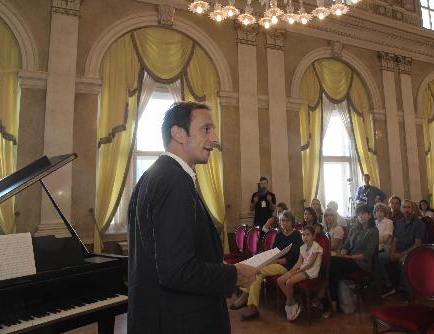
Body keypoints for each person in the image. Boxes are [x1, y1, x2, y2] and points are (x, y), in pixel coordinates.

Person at [127, 102, 257, 334]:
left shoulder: (153, 176)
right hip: (182, 321)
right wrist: (234, 275)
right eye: (206, 129)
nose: (215, 139)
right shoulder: (174, 181)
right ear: (178, 134)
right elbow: (176, 271)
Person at [231, 210, 303, 321]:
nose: (284, 223)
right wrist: (269, 258)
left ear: (292, 222)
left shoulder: (297, 235)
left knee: (257, 271)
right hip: (274, 263)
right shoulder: (279, 234)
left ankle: (247, 300)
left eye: (287, 221)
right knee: (257, 274)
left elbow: (294, 257)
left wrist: (276, 261)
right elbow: (273, 251)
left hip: (287, 267)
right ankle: (251, 305)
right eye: (282, 221)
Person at [328, 205, 379, 312]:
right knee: (331, 264)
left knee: (333, 263)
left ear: (369, 215)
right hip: (349, 259)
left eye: (364, 213)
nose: (361, 216)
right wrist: (343, 252)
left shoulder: (373, 232)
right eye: (359, 214)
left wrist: (349, 257)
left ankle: (332, 301)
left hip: (361, 263)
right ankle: (335, 301)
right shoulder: (354, 229)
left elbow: (367, 255)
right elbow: (346, 245)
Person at [377, 199, 425, 303]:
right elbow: (395, 239)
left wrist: (400, 254)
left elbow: (417, 244)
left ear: (412, 209)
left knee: (403, 261)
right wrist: (392, 252)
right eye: (404, 207)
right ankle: (388, 285)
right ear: (401, 209)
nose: (406, 209)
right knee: (379, 257)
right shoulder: (399, 222)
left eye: (408, 207)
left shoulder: (418, 223)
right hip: (399, 249)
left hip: (413, 252)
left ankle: (405, 291)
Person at [278, 225, 323, 321]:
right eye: (303, 235)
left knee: (289, 282)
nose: (305, 237)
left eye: (308, 235)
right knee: (280, 280)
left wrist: (297, 272)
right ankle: (293, 302)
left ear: (313, 236)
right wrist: (292, 270)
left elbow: (310, 264)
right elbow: (299, 263)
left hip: (310, 272)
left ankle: (288, 303)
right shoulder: (302, 247)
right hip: (302, 269)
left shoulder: (316, 247)